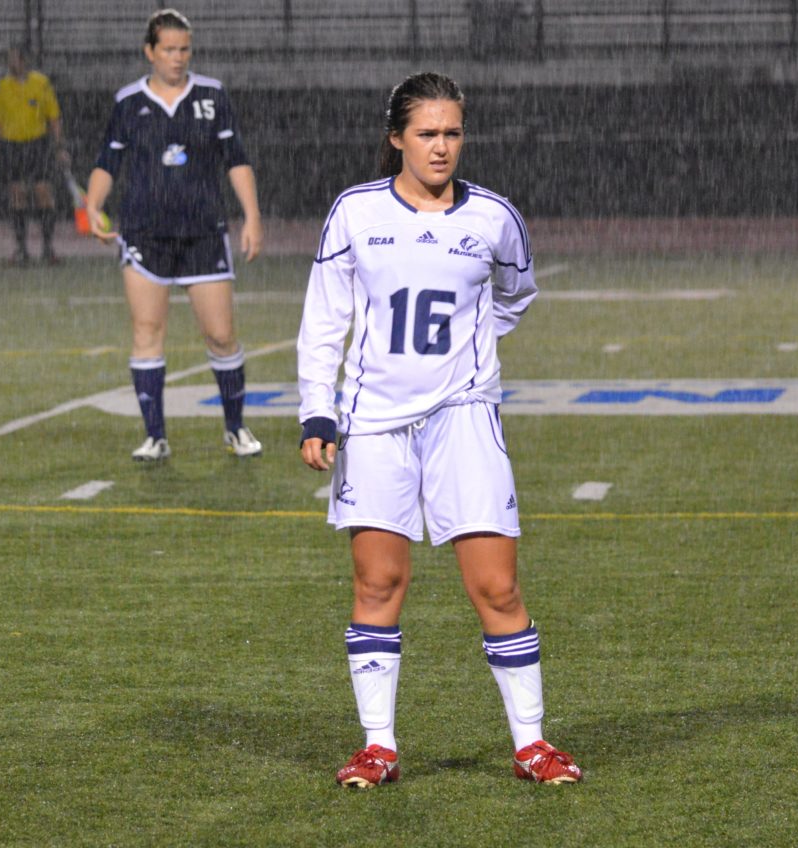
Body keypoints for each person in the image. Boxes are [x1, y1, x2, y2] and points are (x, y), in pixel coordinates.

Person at [297, 72, 582, 787]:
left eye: (453, 132)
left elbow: (516, 293)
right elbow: (325, 318)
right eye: (426, 133)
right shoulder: (355, 213)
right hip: (374, 425)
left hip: (464, 419)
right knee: (379, 580)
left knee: (497, 587)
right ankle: (379, 746)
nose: (442, 147)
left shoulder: (493, 217)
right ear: (396, 136)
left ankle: (532, 746)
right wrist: (317, 411)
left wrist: (469, 352)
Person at [85, 8, 264, 462]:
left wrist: (252, 216)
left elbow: (236, 160)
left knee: (222, 334)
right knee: (147, 331)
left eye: (184, 49)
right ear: (150, 51)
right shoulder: (129, 102)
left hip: (204, 232)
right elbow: (108, 163)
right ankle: (155, 436)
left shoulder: (212, 96)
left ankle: (235, 427)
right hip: (145, 233)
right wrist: (93, 205)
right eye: (168, 49)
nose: (177, 57)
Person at [0, 43, 68, 265]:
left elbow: (54, 117)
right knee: (17, 193)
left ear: (24, 61)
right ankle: (21, 249)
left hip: (37, 145)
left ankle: (48, 248)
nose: (11, 63)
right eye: (9, 59)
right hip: (12, 146)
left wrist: (60, 147)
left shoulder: (41, 84)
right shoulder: (3, 86)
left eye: (15, 59)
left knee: (43, 192)